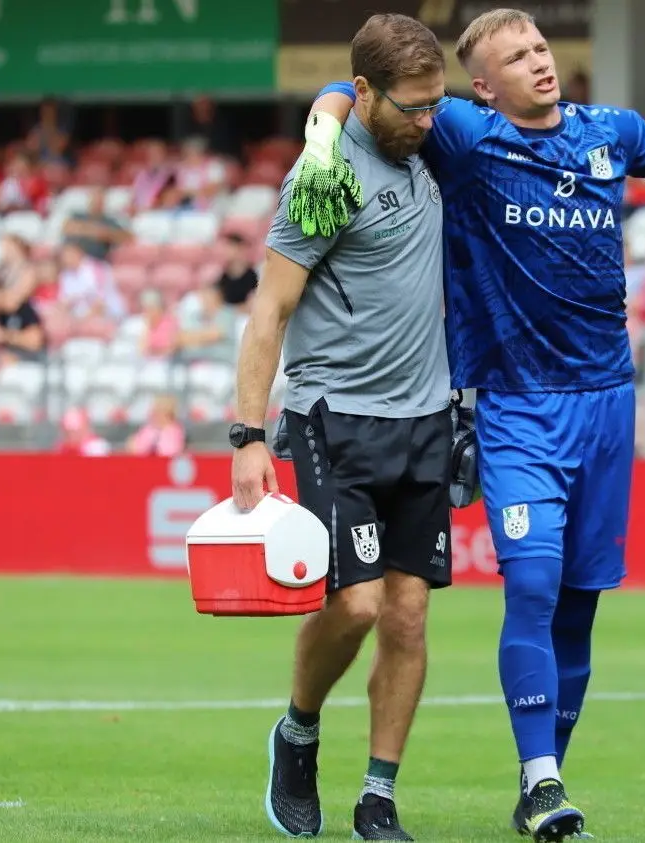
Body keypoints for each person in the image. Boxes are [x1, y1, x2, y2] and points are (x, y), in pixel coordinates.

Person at [287, 8, 645, 840]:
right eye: (516, 57)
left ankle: (540, 778)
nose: (539, 63)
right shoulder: (466, 137)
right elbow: (351, 88)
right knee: (534, 582)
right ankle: (544, 784)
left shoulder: (607, 131)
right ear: (483, 86)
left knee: (578, 605)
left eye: (541, 47)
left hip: (609, 402)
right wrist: (323, 135)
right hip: (517, 406)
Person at [228, 14, 453, 841]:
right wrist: (248, 436)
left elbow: (342, 97)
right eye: (412, 107)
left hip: (426, 419)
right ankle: (297, 730)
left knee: (408, 616)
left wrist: (345, 109)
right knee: (354, 605)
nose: (429, 121)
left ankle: (379, 794)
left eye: (437, 105)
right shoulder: (320, 178)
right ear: (364, 94)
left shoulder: (423, 139)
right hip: (336, 418)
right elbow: (271, 308)